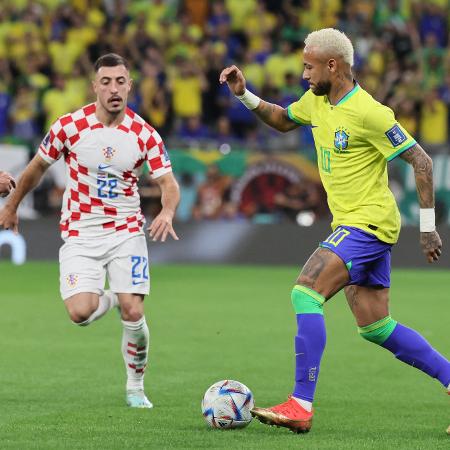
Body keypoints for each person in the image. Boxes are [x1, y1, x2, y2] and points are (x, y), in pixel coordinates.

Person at [220, 28, 449, 433]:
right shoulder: (316, 102)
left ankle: (300, 404)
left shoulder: (370, 113)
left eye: (309, 66)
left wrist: (428, 227)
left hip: (368, 222)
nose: (304, 74)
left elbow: (422, 162)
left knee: (305, 291)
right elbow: (282, 119)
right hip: (355, 225)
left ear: (333, 65)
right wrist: (244, 94)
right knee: (376, 326)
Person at [0, 53, 180, 409]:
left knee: (134, 311)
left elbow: (168, 183)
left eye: (120, 82)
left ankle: (135, 387)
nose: (114, 89)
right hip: (80, 232)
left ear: (130, 85)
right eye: (106, 82)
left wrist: (168, 210)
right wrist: (11, 205)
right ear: (94, 86)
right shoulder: (69, 126)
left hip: (127, 230)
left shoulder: (144, 134)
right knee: (80, 313)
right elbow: (37, 168)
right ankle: (114, 297)